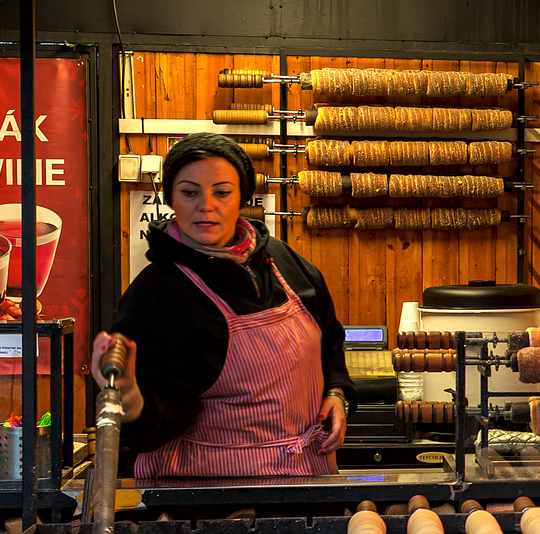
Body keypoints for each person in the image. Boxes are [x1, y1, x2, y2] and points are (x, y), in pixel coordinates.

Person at [90, 133, 354, 479]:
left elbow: (329, 345)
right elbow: (155, 414)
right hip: (204, 491)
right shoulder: (156, 294)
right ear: (170, 197)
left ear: (242, 196)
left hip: (305, 474)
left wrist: (337, 394)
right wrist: (129, 397)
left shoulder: (285, 263)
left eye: (222, 192)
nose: (206, 205)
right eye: (189, 192)